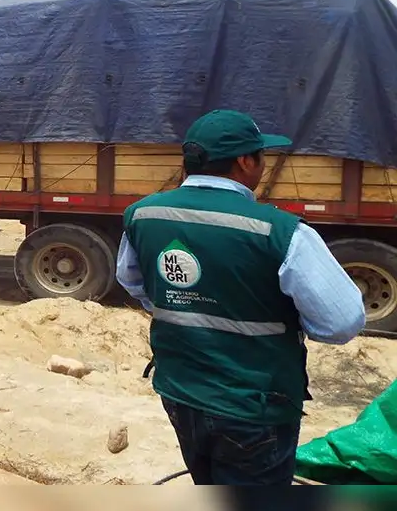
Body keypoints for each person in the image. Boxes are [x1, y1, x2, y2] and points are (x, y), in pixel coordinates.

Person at [115, 109, 366, 486]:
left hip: (180, 392)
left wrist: (189, 302)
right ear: (245, 162)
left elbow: (133, 283)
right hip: (254, 407)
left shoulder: (142, 215)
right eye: (261, 156)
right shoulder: (280, 231)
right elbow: (342, 323)